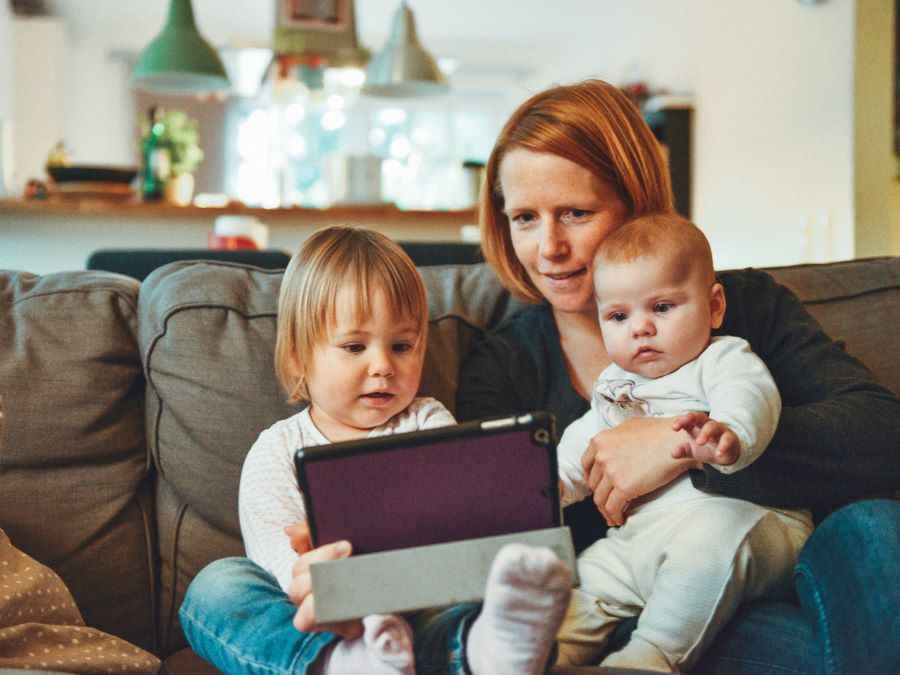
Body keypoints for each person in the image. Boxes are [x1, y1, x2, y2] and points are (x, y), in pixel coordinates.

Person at [457, 77, 900, 673]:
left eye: (576, 213)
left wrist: (681, 443)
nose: (549, 247)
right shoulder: (504, 364)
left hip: (769, 577)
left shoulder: (743, 307)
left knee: (876, 526)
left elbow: (881, 434)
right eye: (525, 219)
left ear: (635, 203)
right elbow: (499, 528)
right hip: (622, 606)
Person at [179, 225, 573, 675]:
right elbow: (278, 564)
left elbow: (461, 521)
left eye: (402, 346)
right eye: (354, 347)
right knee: (216, 586)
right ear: (297, 357)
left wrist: (517, 496)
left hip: (421, 608)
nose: (384, 366)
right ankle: (343, 664)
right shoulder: (276, 450)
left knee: (491, 591)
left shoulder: (427, 421)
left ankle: (487, 651)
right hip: (323, 620)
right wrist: (333, 591)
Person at [553, 213, 812, 670]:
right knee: (585, 579)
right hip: (640, 539)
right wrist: (553, 484)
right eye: (618, 315)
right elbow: (586, 439)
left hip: (745, 524)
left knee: (706, 545)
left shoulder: (721, 357)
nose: (640, 328)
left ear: (714, 306)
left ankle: (648, 657)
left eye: (662, 308)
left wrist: (729, 433)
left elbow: (750, 395)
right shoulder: (616, 382)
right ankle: (543, 656)